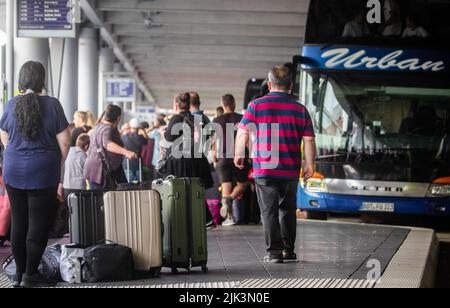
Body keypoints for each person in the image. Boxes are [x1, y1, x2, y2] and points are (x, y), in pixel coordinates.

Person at [235, 65, 316, 264]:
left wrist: (239, 153)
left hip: (264, 168)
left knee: (268, 211)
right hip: (289, 169)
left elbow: (243, 132)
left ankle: (274, 253)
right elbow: (309, 140)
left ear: (269, 84)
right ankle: (289, 250)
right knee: (288, 209)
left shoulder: (256, 106)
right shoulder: (300, 109)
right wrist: (310, 164)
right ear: (291, 85)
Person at [0, 61, 70, 288]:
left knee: (19, 223)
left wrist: (16, 153)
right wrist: (56, 163)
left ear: (21, 80)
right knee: (38, 224)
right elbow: (65, 142)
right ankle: (31, 275)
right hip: (43, 170)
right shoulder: (53, 105)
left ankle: (19, 274)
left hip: (14, 170)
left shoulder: (11, 104)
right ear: (42, 80)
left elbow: (4, 137)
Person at [162, 93, 213, 189]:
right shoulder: (197, 119)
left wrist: (163, 133)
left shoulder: (176, 118)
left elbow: (168, 138)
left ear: (176, 105)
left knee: (179, 190)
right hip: (197, 159)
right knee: (195, 190)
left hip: (180, 162)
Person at [212, 94, 249, 227]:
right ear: (234, 104)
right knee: (243, 184)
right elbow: (247, 138)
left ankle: (229, 218)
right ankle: (230, 199)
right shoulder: (242, 118)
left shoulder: (216, 120)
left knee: (226, 186)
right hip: (239, 156)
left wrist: (214, 157)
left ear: (223, 105)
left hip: (222, 157)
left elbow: (214, 141)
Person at [84, 105, 137, 190]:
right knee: (104, 199)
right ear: (118, 118)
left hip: (94, 169)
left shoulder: (99, 126)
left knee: (98, 198)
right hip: (100, 171)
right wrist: (127, 152)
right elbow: (107, 144)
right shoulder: (106, 128)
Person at [122, 118, 148, 183]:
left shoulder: (124, 137)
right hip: (138, 162)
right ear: (139, 127)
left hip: (127, 162)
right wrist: (144, 131)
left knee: (128, 184)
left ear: (130, 127)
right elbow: (147, 141)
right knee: (139, 184)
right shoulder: (141, 137)